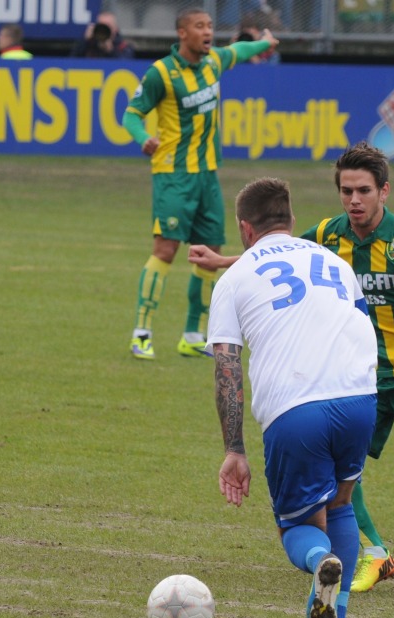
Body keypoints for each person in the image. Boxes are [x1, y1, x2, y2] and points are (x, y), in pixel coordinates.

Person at [189, 142, 394, 592]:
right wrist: (222, 262)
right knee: (341, 470)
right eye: (345, 191)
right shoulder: (329, 234)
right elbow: (275, 256)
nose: (354, 200)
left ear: (384, 191)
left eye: (363, 190)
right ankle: (376, 554)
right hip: (359, 378)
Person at [207, 177, 378, 618]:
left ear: (245, 229)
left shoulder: (235, 278)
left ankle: (319, 558)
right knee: (342, 504)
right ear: (291, 222)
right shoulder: (333, 262)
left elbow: (227, 368)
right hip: (360, 398)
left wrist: (234, 448)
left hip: (295, 410)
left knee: (297, 527)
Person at [121, 7, 279, 361]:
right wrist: (142, 137)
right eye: (199, 26)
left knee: (208, 254)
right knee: (166, 250)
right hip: (173, 175)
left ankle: (192, 333)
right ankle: (142, 333)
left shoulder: (214, 62)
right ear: (182, 33)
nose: (208, 31)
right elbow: (131, 114)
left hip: (208, 174)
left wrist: (264, 43)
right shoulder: (161, 73)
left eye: (210, 25)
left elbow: (239, 51)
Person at [70, 11, 135, 59]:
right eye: (102, 26)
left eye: (108, 26)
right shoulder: (89, 44)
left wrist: (110, 51)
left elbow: (126, 67)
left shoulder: (123, 46)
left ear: (116, 29)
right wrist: (84, 41)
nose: (104, 30)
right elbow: (71, 61)